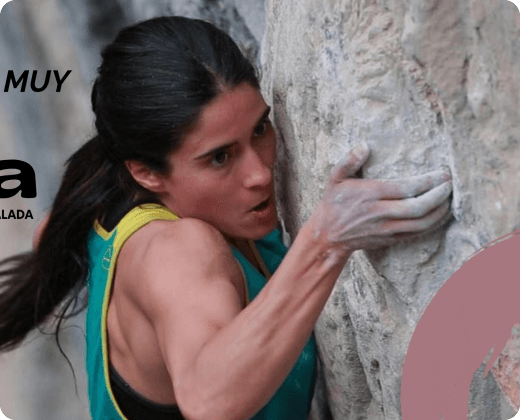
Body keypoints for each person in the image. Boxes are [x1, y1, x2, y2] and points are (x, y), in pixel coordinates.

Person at [0, 15, 453, 420]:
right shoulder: (177, 249)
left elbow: (49, 236)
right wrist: (326, 241)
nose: (259, 173)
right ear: (146, 172)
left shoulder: (103, 199)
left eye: (260, 128)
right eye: (220, 158)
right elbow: (208, 400)